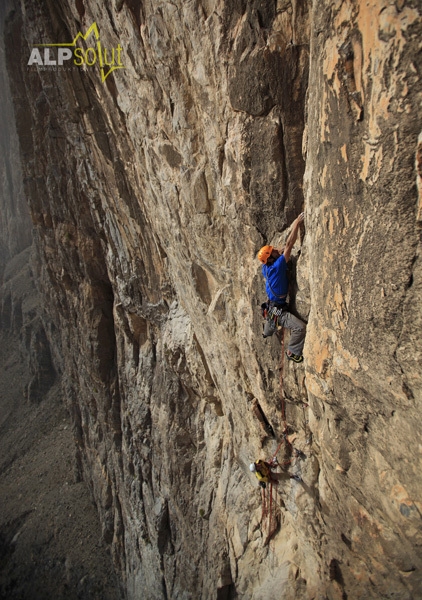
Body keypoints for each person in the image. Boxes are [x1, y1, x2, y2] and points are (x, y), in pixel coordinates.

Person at [258, 212, 306, 363]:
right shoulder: (278, 267)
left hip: (272, 308)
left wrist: (274, 252)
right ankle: (292, 351)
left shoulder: (265, 267)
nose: (275, 250)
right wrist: (297, 224)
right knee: (299, 327)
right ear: (271, 258)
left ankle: (267, 332)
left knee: (271, 324)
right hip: (279, 311)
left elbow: (280, 249)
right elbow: (289, 245)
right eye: (272, 252)